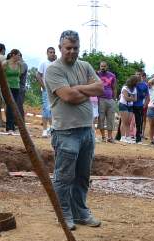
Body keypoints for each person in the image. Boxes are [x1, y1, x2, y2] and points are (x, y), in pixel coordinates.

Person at [45, 29, 103, 229]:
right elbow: (68, 96)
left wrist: (77, 88)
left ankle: (80, 212)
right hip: (65, 132)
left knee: (82, 176)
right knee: (64, 177)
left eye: (75, 48)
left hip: (87, 131)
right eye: (68, 48)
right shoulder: (53, 70)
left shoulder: (85, 66)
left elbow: (100, 88)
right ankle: (64, 215)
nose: (72, 51)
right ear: (60, 47)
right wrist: (86, 90)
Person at [0, 49, 22, 132]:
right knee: (9, 106)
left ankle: (11, 125)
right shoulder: (5, 63)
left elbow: (19, 75)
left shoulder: (19, 64)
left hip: (16, 87)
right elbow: (0, 74)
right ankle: (9, 127)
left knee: (14, 106)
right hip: (7, 87)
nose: (19, 57)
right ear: (13, 55)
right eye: (18, 55)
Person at [36, 46, 56, 136]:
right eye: (50, 52)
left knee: (53, 110)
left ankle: (51, 129)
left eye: (53, 52)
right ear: (47, 53)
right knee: (46, 109)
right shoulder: (43, 63)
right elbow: (38, 75)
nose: (52, 54)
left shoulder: (56, 63)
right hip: (46, 91)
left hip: (55, 90)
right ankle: (44, 129)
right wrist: (44, 87)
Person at [96, 60, 116, 142]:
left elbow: (114, 88)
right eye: (101, 66)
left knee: (110, 118)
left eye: (104, 66)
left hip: (110, 99)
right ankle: (103, 137)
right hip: (100, 99)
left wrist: (114, 99)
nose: (103, 68)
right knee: (101, 118)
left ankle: (110, 137)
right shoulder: (97, 74)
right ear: (100, 66)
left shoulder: (112, 75)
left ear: (107, 67)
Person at [117, 74, 136, 143]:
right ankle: (122, 137)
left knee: (128, 122)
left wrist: (130, 98)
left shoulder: (134, 89)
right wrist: (131, 98)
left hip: (130, 106)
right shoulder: (125, 88)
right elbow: (126, 98)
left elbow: (135, 99)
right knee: (124, 121)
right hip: (123, 105)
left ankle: (128, 137)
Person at [132, 69, 147, 143]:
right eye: (137, 74)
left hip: (139, 105)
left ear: (141, 75)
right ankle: (122, 136)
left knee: (139, 122)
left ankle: (138, 138)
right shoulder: (132, 83)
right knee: (126, 121)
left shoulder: (144, 85)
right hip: (130, 104)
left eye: (139, 74)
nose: (138, 76)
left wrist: (145, 104)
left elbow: (147, 96)